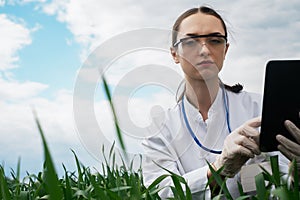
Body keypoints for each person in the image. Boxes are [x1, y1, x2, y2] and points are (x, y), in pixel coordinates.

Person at [142, 6, 289, 199]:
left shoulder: (260, 108)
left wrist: (297, 170)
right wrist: (217, 169)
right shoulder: (160, 128)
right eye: (190, 41)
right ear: (174, 54)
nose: (204, 50)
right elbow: (161, 193)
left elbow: (283, 184)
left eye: (215, 40)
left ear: (225, 49)